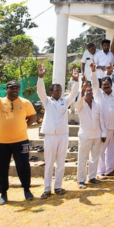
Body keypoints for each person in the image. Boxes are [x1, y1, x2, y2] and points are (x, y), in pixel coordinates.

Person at [0, 70, 37, 205]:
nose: (15, 90)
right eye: (12, 88)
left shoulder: (25, 102)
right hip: (0, 142)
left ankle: (27, 190)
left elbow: (33, 116)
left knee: (23, 166)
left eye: (17, 88)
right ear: (6, 89)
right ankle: (3, 193)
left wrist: (24, 126)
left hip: (21, 141)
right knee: (1, 168)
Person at [37, 62, 79, 200]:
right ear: (51, 92)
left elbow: (73, 94)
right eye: (56, 90)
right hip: (49, 135)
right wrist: (41, 78)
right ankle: (47, 189)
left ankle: (58, 186)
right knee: (49, 163)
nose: (59, 92)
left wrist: (76, 80)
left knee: (60, 162)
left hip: (63, 134)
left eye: (60, 90)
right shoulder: (47, 101)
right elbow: (40, 91)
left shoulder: (65, 101)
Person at [75, 81, 105, 189]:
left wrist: (103, 133)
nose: (89, 92)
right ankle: (81, 180)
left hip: (97, 134)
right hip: (85, 135)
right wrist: (82, 90)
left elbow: (101, 120)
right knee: (82, 158)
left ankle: (92, 177)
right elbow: (78, 102)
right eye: (86, 91)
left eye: (90, 91)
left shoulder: (97, 104)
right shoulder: (80, 104)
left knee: (95, 158)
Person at [93, 71, 114, 178]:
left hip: (113, 128)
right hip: (102, 128)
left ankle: (110, 169)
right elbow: (94, 82)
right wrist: (94, 71)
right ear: (101, 86)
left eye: (108, 84)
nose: (106, 86)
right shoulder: (98, 94)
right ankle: (100, 172)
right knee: (101, 151)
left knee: (112, 150)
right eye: (104, 84)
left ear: (111, 85)